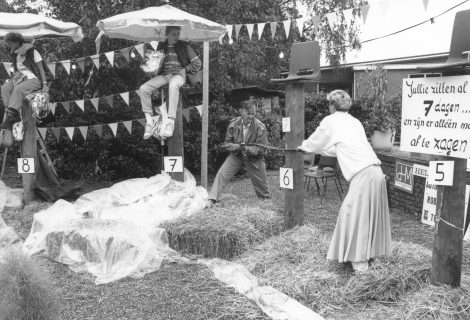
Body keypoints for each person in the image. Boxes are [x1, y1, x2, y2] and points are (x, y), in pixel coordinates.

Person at [297, 90, 392, 272]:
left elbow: (315, 141)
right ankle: (370, 255)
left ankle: (360, 264)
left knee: (352, 213)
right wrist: (314, 150)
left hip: (363, 174)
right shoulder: (354, 122)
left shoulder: (331, 121)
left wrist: (304, 147)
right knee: (369, 214)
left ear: (332, 105)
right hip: (376, 171)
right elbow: (337, 148)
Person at [140, 26, 201, 139]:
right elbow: (156, 65)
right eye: (174, 34)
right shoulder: (161, 46)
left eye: (178, 34)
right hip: (165, 76)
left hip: (179, 75)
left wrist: (185, 69)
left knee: (173, 84)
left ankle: (170, 122)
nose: (176, 37)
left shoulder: (184, 45)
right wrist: (151, 67)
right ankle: (149, 122)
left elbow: (197, 62)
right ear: (167, 34)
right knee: (144, 88)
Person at [208, 100, 271, 205]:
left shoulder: (260, 127)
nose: (251, 116)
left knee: (263, 190)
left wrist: (242, 147)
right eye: (249, 113)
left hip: (255, 159)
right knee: (222, 174)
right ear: (242, 111)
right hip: (237, 156)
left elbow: (261, 149)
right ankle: (212, 199)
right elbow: (227, 142)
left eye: (253, 114)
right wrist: (230, 147)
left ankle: (266, 201)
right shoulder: (233, 123)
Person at [1, 32, 49, 129]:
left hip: (34, 79)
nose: (9, 46)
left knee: (18, 90)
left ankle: (13, 115)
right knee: (5, 88)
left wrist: (44, 84)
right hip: (20, 78)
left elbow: (41, 69)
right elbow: (17, 70)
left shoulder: (32, 51)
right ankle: (10, 111)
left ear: (17, 42)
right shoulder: (15, 54)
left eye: (10, 43)